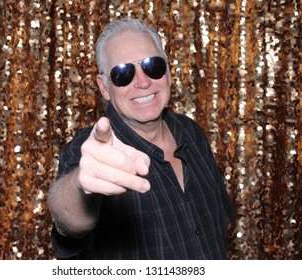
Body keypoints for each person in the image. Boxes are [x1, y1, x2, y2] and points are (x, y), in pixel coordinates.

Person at [47, 18, 234, 260]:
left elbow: (218, 229)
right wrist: (81, 187)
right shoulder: (92, 149)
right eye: (123, 73)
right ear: (104, 87)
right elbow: (68, 220)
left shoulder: (192, 133)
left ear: (167, 71)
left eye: (152, 66)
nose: (143, 82)